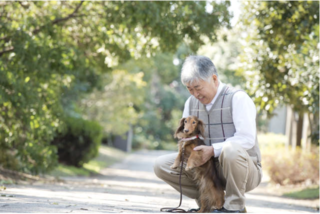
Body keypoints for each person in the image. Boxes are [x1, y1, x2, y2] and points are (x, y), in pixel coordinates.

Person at [154, 55, 262, 213]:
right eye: (190, 89)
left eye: (198, 88)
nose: (195, 94)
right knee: (161, 165)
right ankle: (209, 205)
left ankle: (234, 207)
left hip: (243, 171)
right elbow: (186, 138)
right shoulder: (190, 103)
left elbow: (247, 139)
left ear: (214, 79)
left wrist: (213, 150)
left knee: (230, 149)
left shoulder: (237, 98)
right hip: (208, 171)